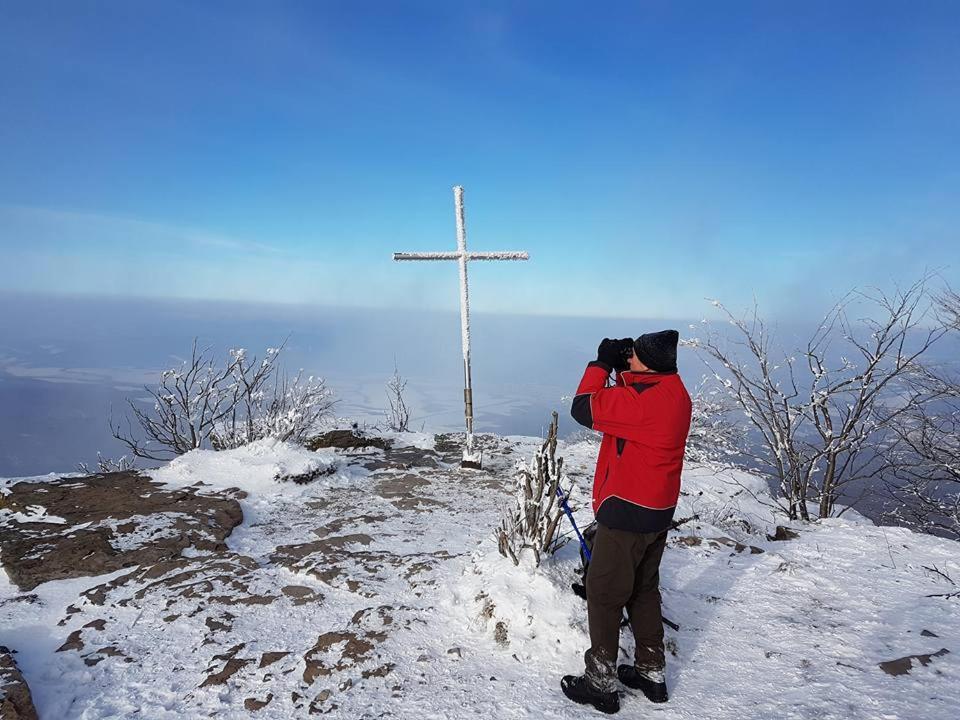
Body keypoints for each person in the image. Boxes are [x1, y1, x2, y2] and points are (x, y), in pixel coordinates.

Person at [561, 331, 692, 714]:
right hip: (657, 510)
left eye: (633, 355)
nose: (627, 358)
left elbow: (584, 407)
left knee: (604, 593)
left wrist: (601, 364)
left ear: (648, 363)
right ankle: (651, 672)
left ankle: (599, 682)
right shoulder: (673, 390)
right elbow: (633, 400)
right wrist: (625, 369)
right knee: (642, 589)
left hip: (627, 513)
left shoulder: (646, 401)